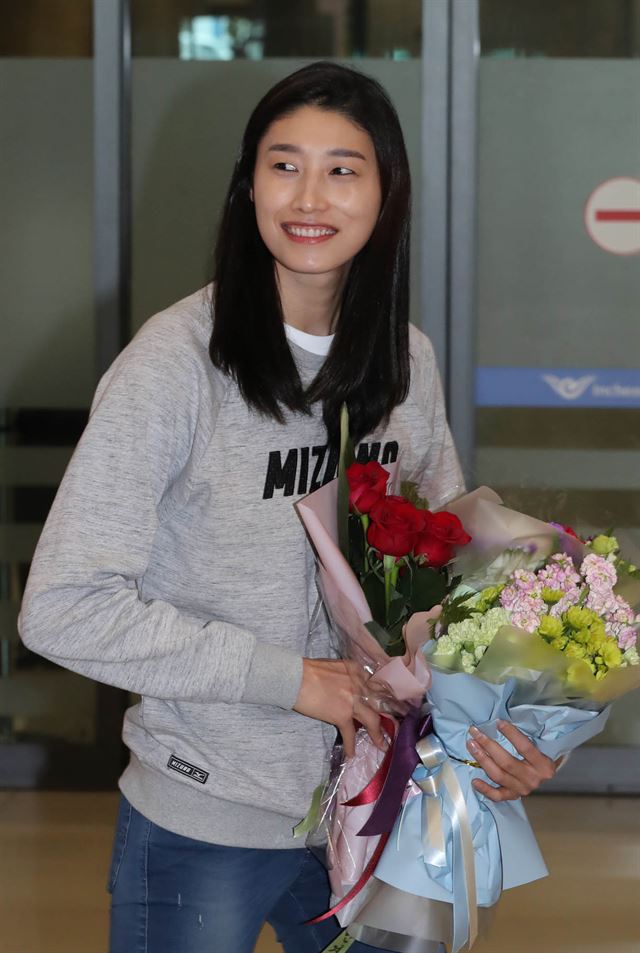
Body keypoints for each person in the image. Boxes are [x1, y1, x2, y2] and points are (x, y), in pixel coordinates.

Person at [18, 61, 558, 953]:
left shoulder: (405, 363)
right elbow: (62, 608)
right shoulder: (174, 367)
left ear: (386, 196)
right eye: (284, 164)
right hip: (207, 813)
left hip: (383, 809)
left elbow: (450, 584)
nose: (310, 195)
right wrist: (290, 677)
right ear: (248, 185)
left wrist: (511, 725)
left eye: (344, 169)